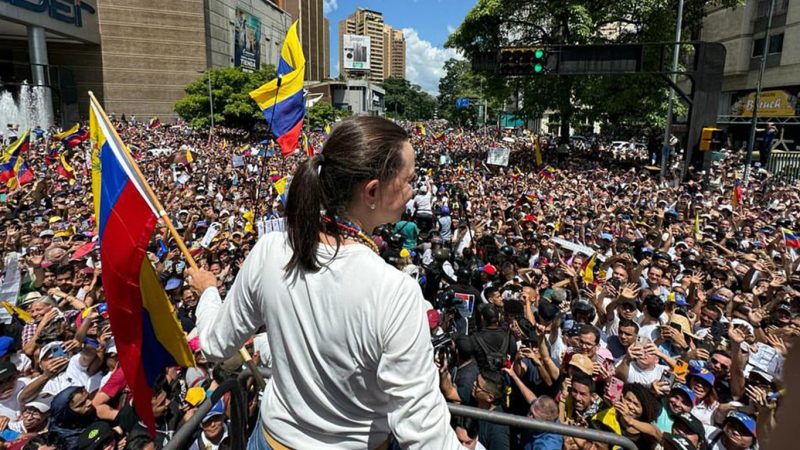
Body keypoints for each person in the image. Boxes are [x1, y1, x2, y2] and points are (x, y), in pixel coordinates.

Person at [187, 117, 464, 449]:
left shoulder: (270, 250)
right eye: (408, 180)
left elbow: (216, 344)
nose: (412, 191)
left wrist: (207, 293)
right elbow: (425, 435)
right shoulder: (395, 291)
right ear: (373, 191)